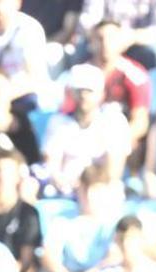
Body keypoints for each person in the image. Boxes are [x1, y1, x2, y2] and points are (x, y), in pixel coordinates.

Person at [40, 63, 131, 197]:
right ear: (72, 92)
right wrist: (64, 183)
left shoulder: (114, 122)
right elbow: (51, 165)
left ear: (102, 94)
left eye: (89, 91)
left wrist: (88, 186)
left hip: (101, 193)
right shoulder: (58, 122)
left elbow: (114, 171)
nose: (84, 95)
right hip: (64, 192)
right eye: (79, 90)